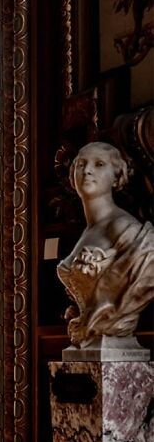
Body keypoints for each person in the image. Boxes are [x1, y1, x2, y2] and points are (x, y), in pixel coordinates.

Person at [57, 142, 154, 348]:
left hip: (112, 338)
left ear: (117, 177)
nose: (87, 170)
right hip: (87, 342)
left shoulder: (125, 229)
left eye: (99, 164)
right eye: (81, 164)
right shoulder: (88, 231)